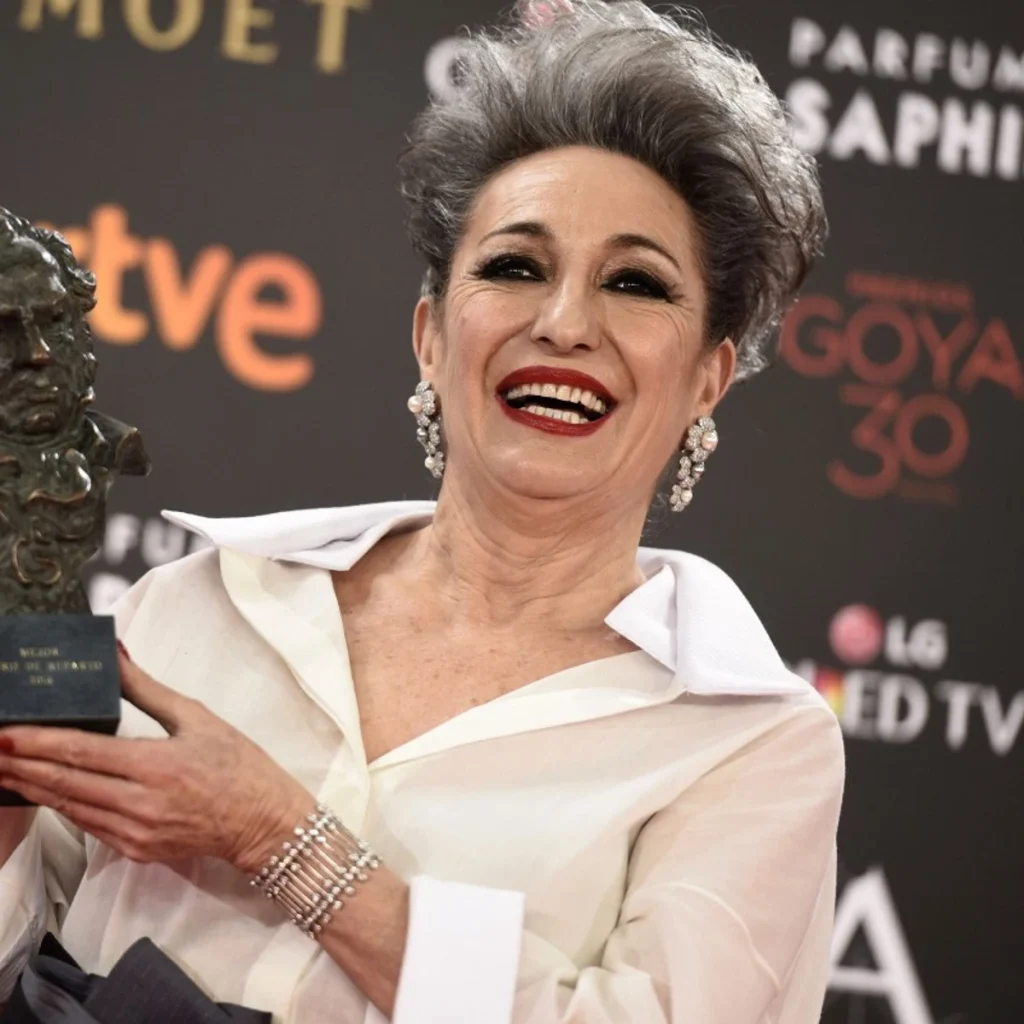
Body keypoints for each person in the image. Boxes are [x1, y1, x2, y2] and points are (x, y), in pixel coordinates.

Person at [0, 2, 843, 1022]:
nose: (564, 323)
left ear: (709, 375)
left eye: (635, 283)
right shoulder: (197, 602)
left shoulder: (748, 741)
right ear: (432, 336)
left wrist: (274, 833)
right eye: (515, 266)